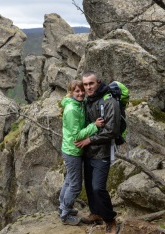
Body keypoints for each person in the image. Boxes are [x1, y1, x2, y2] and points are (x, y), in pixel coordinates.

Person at [75, 71, 120, 234]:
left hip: (102, 152)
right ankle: (95, 213)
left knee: (97, 188)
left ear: (98, 82)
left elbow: (112, 130)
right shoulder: (87, 100)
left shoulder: (109, 102)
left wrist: (89, 140)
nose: (88, 87)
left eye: (91, 84)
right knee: (88, 186)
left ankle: (110, 220)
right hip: (87, 152)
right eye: (85, 84)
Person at [59, 79, 104, 226]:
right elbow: (77, 135)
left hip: (70, 149)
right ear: (71, 92)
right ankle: (65, 215)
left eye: (81, 91)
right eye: (77, 91)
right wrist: (94, 126)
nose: (80, 93)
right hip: (73, 151)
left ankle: (63, 207)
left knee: (69, 181)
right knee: (76, 185)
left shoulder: (78, 104)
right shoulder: (72, 109)